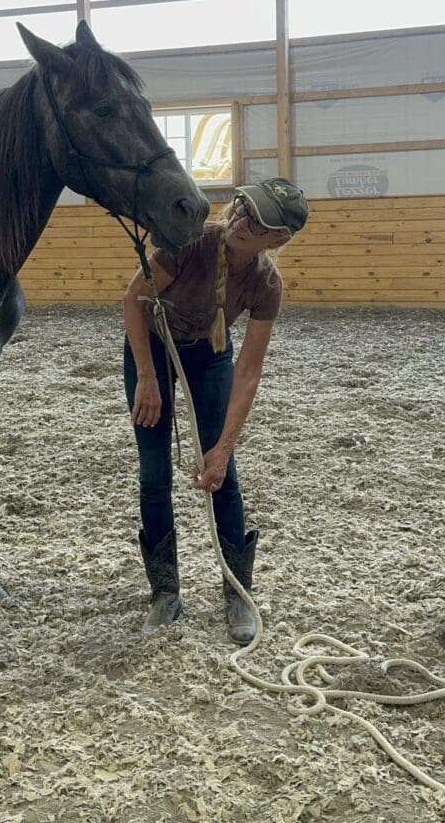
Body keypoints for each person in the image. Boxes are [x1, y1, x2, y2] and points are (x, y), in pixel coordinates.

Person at [123, 177, 309, 644]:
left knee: (224, 474)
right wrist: (146, 376)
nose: (241, 221)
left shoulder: (267, 285)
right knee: (153, 472)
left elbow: (248, 371)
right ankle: (165, 592)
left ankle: (236, 591)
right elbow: (134, 299)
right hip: (152, 349)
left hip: (210, 356)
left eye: (257, 222)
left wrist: (223, 448)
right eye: (243, 208)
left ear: (277, 239)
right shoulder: (192, 242)